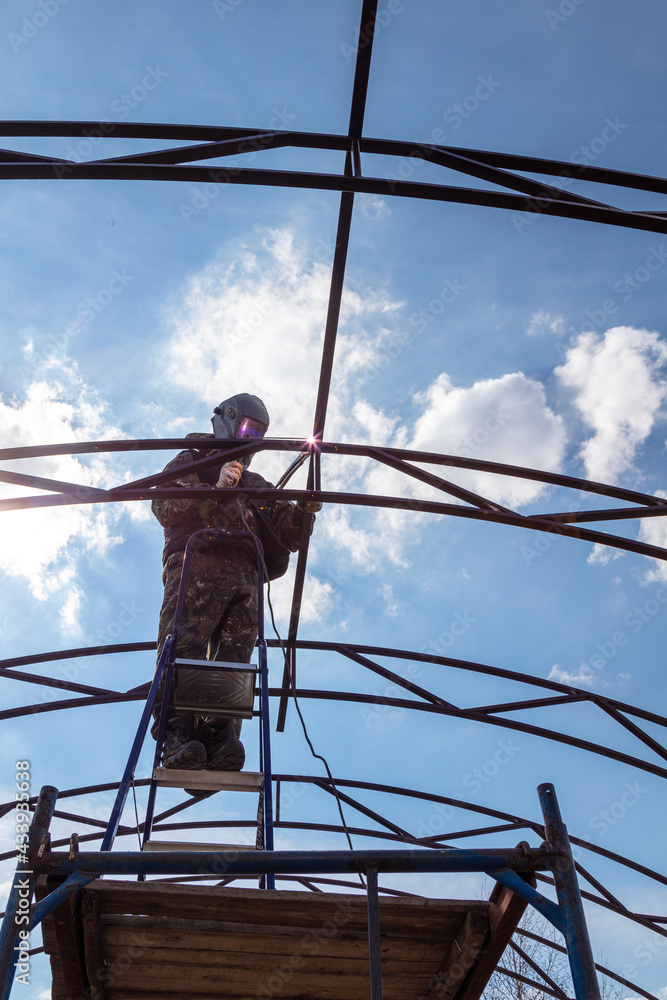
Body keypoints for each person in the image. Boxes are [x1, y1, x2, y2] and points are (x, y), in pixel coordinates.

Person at [151, 392, 320, 776]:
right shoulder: (195, 459)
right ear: (227, 419)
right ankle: (177, 733)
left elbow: (288, 533)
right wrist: (216, 491)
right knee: (185, 643)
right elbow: (164, 506)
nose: (248, 437)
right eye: (245, 427)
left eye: (255, 433)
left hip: (244, 576)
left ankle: (219, 733)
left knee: (237, 653)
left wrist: (307, 510)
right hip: (197, 566)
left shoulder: (258, 484)